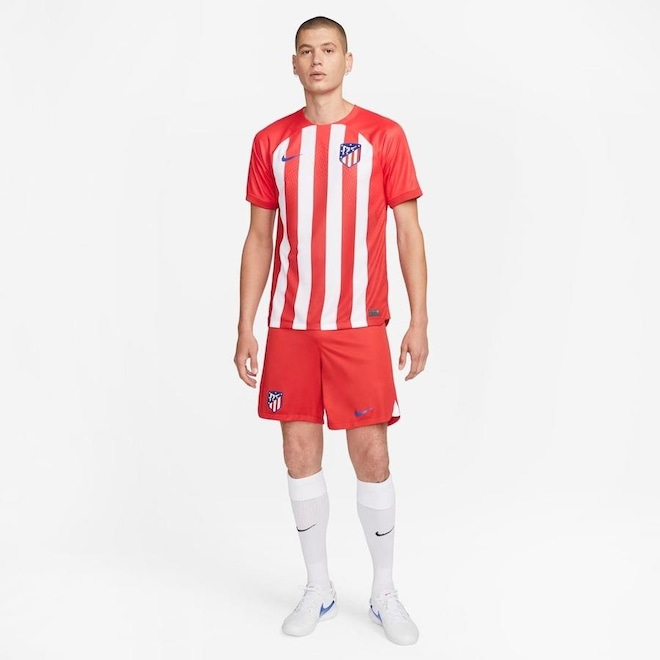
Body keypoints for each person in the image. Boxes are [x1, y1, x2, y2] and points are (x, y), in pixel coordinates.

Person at [233, 15, 428, 646]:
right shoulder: (271, 142)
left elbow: (408, 232)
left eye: (328, 50)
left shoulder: (383, 136)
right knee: (298, 452)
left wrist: (419, 318)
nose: (317, 60)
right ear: (293, 63)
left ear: (348, 60)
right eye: (306, 51)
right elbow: (259, 238)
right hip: (291, 325)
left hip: (358, 325)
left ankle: (384, 590)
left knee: (372, 455)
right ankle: (318, 587)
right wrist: (246, 325)